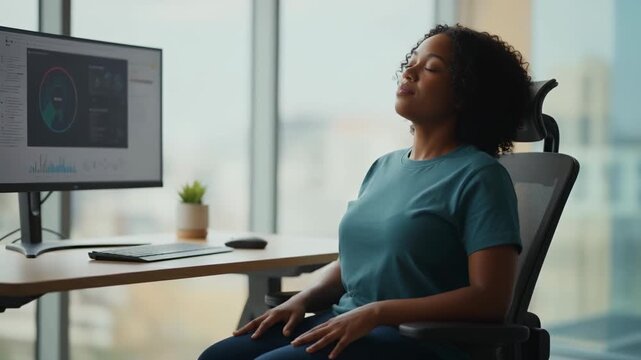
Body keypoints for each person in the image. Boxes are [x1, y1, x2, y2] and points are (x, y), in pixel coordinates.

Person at [199, 23, 531, 360]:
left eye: (431, 67)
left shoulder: (480, 176)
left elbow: (490, 300)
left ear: (465, 93)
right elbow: (353, 266)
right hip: (349, 321)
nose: (410, 71)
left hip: (418, 340)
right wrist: (303, 298)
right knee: (219, 357)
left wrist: (377, 312)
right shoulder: (383, 167)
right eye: (411, 62)